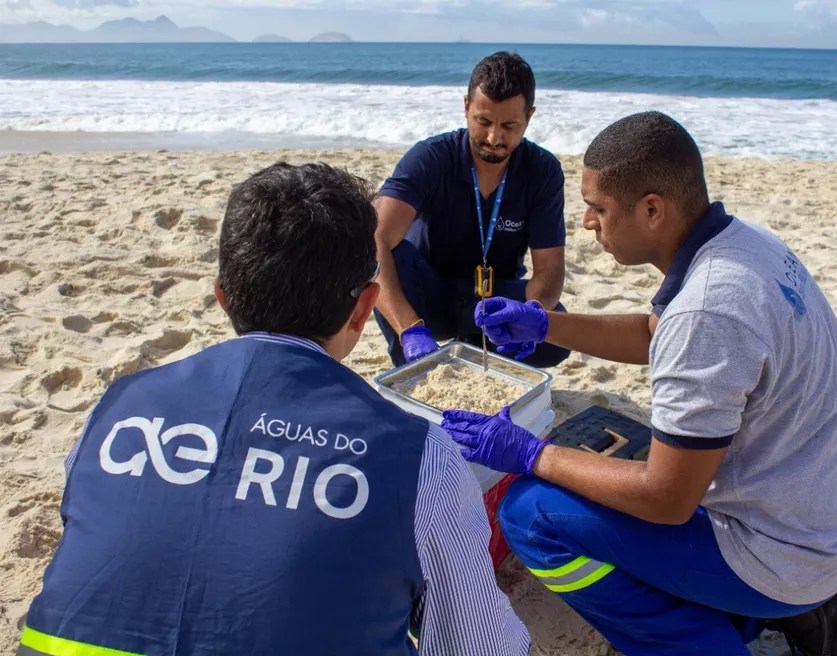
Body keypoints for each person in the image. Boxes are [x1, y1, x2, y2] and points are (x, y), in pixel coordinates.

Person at [17, 162, 529, 656]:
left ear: (222, 296)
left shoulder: (115, 410)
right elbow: (479, 645)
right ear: (363, 307)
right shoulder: (417, 457)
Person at [440, 112, 837, 656]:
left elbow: (666, 499)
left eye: (598, 208)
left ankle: (706, 642)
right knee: (622, 455)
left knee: (529, 513)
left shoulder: (710, 310)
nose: (588, 223)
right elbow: (656, 333)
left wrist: (530, 452)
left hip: (780, 555)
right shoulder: (742, 244)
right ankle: (786, 617)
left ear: (651, 209)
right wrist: (547, 323)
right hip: (819, 526)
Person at [373, 50, 571, 368]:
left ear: (529, 117)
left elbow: (550, 269)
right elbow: (375, 238)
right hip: (430, 295)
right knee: (389, 254)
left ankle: (474, 349)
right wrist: (409, 329)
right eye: (483, 121)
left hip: (494, 302)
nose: (494, 137)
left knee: (555, 333)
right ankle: (409, 361)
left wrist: (531, 313)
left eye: (509, 125)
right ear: (466, 107)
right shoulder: (430, 158)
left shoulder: (542, 170)